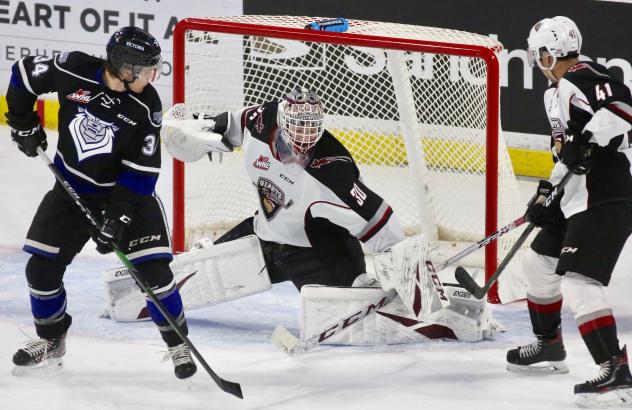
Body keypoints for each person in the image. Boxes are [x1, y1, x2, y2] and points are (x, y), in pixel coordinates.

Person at [6, 27, 196, 379]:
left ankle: (177, 344)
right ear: (125, 69)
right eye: (147, 71)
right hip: (71, 192)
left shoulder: (146, 104)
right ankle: (51, 339)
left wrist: (118, 218)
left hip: (126, 198)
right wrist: (21, 123)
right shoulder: (72, 68)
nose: (153, 78)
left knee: (154, 276)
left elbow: (141, 171)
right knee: (40, 271)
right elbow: (23, 73)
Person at [506, 16, 632, 406]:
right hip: (577, 197)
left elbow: (624, 105)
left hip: (606, 195)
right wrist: (547, 193)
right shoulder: (554, 93)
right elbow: (570, 154)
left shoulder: (583, 74)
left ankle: (617, 372)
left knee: (579, 281)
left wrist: (590, 140)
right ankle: (549, 345)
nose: (533, 59)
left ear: (547, 53)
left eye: (536, 52)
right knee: (539, 263)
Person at [199, 87, 406, 290]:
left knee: (355, 320)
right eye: (299, 126)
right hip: (265, 238)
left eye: (311, 127)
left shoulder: (333, 172)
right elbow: (232, 124)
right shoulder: (264, 120)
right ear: (282, 123)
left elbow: (378, 222)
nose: (305, 136)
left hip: (322, 255)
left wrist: (402, 268)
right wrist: (199, 133)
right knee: (199, 277)